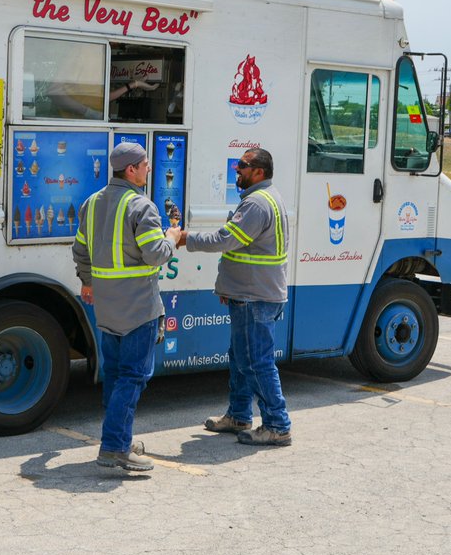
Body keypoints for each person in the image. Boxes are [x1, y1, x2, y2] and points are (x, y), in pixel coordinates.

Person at [174, 147, 292, 446]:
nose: (236, 169)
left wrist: (186, 238)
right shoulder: (264, 198)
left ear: (259, 172)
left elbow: (226, 240)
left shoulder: (256, 204)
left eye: (243, 165)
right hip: (250, 292)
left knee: (256, 362)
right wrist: (230, 288)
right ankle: (239, 415)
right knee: (241, 357)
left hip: (255, 296)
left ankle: (277, 425)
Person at [73, 142, 180, 471]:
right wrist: (172, 237)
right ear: (131, 170)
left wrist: (87, 281)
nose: (150, 168)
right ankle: (115, 447)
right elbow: (155, 254)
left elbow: (80, 250)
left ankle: (118, 436)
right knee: (133, 376)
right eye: (145, 164)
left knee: (117, 375)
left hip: (107, 307)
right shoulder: (142, 206)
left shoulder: (92, 203)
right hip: (138, 307)